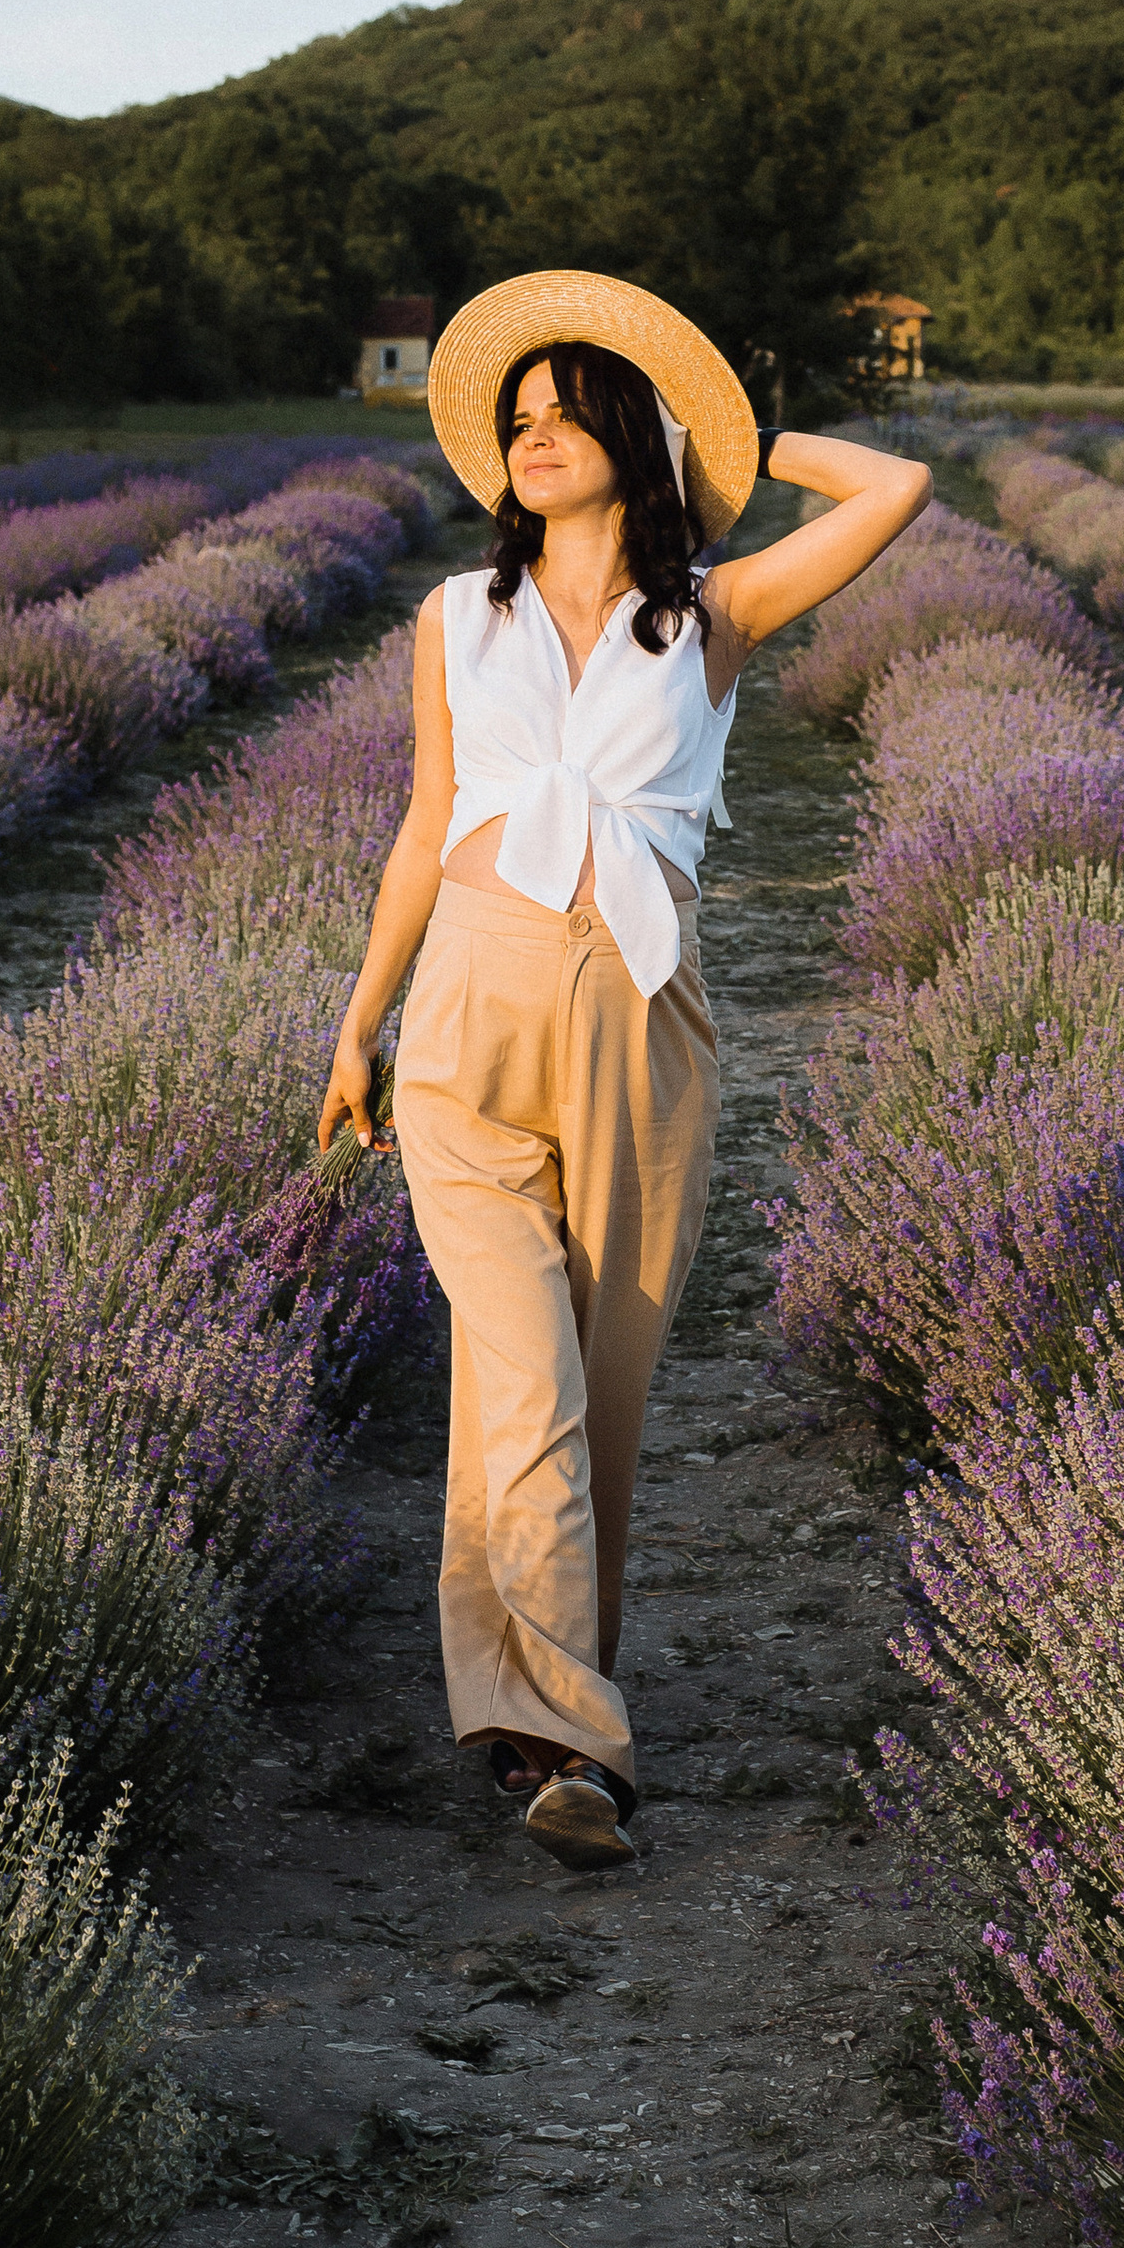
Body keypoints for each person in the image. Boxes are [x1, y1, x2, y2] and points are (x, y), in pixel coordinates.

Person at [318, 269, 931, 1869]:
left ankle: (526, 1712)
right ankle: (587, 1755)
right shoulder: (455, 620)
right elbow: (420, 825)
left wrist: (733, 426)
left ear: (633, 440)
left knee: (596, 1393)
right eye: (514, 421)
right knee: (518, 1373)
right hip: (468, 1015)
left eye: (566, 414)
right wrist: (357, 1021)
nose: (528, 440)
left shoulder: (712, 617)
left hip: (643, 1023)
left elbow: (903, 487)